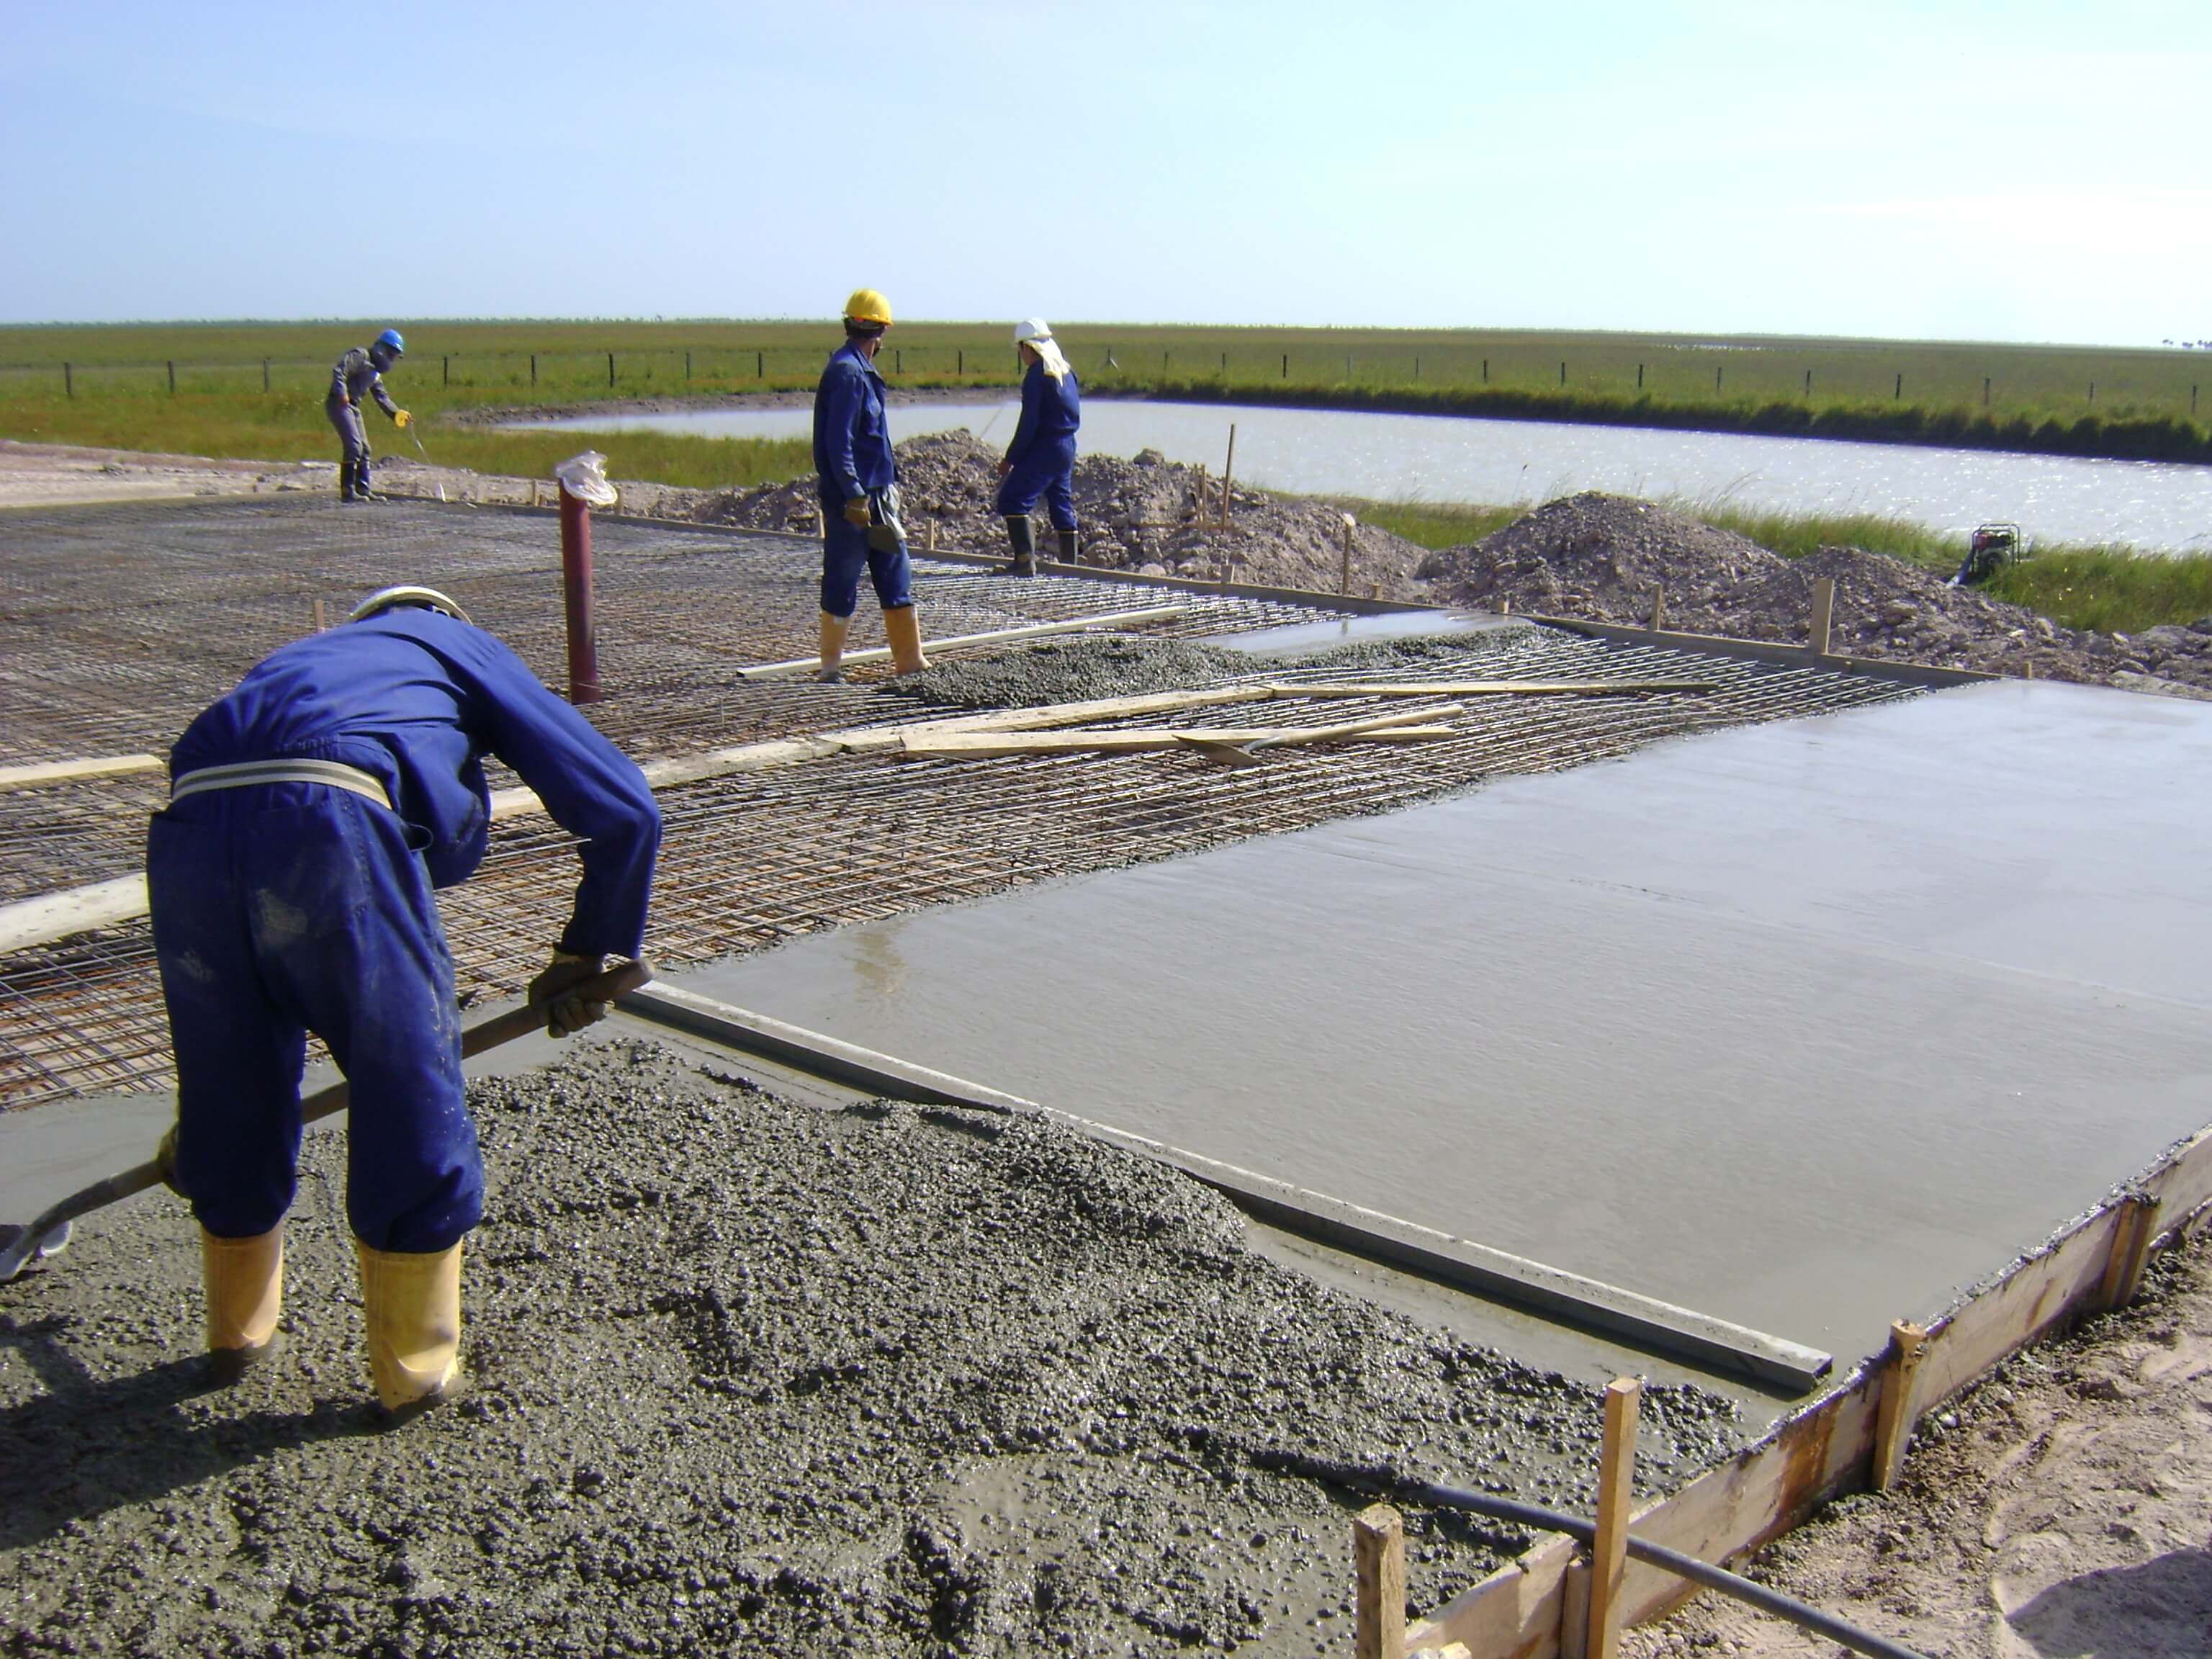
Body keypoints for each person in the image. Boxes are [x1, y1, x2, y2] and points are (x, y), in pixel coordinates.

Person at [148, 585, 661, 1413]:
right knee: (406, 1079)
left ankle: (235, 1341)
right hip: (327, 815)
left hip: (188, 827)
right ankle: (413, 1376)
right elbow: (627, 811)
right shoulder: (452, 644)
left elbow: (250, 787)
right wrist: (584, 950)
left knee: (228, 1081)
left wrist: (206, 1135)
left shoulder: (300, 665)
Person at [811, 289, 929, 681]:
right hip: (855, 500)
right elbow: (838, 442)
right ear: (880, 333)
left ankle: (910, 663)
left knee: (896, 573)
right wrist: (854, 494)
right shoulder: (847, 372)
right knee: (843, 577)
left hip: (877, 495)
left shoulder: (858, 368)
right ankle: (830, 669)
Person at [994, 319, 1083, 576]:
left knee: (1013, 499)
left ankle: (1024, 562)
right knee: (1060, 503)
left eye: (1020, 349)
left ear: (1028, 348)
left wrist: (1010, 459)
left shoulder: (1036, 375)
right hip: (1067, 447)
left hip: (1046, 446)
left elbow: (1029, 423)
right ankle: (1070, 567)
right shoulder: (1067, 372)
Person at [327, 329, 412, 504]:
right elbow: (339, 372)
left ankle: (363, 489)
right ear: (383, 349)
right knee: (354, 446)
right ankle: (347, 491)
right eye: (392, 354)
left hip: (353, 407)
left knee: (365, 449)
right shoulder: (361, 356)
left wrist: (397, 413)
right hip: (339, 404)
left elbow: (382, 397)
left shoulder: (375, 373)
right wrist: (342, 393)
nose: (392, 358)